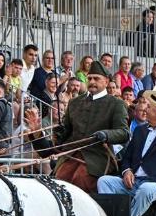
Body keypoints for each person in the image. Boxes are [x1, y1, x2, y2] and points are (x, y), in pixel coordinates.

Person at [97, 85, 156, 216]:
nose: (145, 109)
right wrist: (127, 171)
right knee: (104, 181)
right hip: (135, 181)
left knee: (146, 189)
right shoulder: (140, 130)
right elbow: (127, 157)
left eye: (149, 107)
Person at [53, 61, 129, 193]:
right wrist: (58, 133)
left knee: (81, 180)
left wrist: (106, 135)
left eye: (96, 78)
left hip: (97, 156)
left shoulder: (116, 104)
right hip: (71, 154)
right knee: (59, 180)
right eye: (89, 78)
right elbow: (66, 132)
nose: (92, 81)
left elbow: (124, 133)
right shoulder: (74, 102)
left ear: (106, 81)